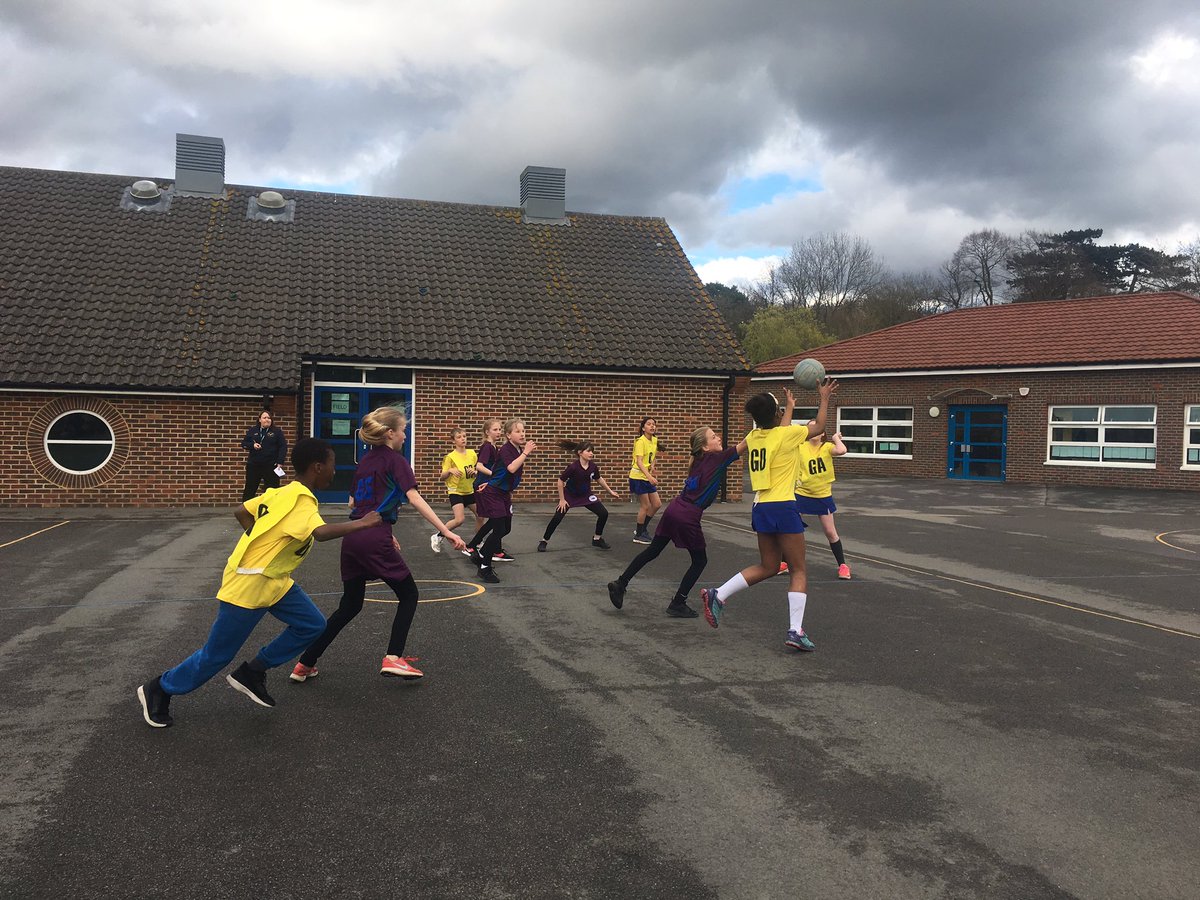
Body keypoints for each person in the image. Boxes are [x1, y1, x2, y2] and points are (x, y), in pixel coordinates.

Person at [135, 438, 380, 728]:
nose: (334, 470)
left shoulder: (280, 493)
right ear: (317, 467)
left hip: (274, 580)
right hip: (250, 584)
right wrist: (364, 523)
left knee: (312, 624)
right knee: (216, 656)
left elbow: (242, 511)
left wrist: (259, 538)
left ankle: (253, 672)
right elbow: (321, 532)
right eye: (331, 464)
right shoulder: (302, 500)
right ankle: (160, 688)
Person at [292, 407, 467, 683]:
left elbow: (354, 503)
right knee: (409, 595)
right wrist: (447, 531)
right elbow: (415, 498)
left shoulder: (364, 463)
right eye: (403, 430)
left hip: (353, 538)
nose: (405, 435)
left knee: (350, 605)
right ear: (390, 434)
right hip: (373, 537)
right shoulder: (396, 461)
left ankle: (305, 663)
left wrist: (386, 530)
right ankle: (394, 658)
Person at [700, 379, 837, 651]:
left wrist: (786, 407)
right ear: (775, 415)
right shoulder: (788, 435)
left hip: (760, 506)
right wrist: (823, 398)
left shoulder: (754, 437)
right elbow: (819, 427)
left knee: (769, 567)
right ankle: (795, 630)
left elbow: (776, 430)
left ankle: (719, 594)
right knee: (798, 569)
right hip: (784, 505)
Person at [608, 425, 744, 618]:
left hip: (674, 509)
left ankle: (621, 583)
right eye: (714, 437)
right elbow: (747, 443)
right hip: (687, 515)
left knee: (653, 551)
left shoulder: (698, 459)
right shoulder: (716, 458)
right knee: (700, 560)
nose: (719, 438)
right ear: (705, 447)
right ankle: (678, 602)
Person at [470, 418, 536, 584]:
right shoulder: (508, 449)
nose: (522, 434)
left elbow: (499, 470)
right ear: (508, 435)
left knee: (506, 528)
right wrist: (526, 452)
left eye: (523, 431)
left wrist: (491, 481)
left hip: (503, 492)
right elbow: (511, 468)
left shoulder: (516, 449)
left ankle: (481, 551)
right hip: (494, 494)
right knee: (498, 528)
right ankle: (484, 567)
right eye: (518, 431)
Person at [537, 440, 620, 552]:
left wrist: (610, 491)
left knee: (603, 513)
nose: (591, 453)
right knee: (557, 517)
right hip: (570, 496)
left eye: (592, 451)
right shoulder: (573, 467)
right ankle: (544, 541)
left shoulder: (593, 467)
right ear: (580, 453)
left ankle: (597, 539)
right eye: (589, 451)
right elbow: (560, 481)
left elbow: (598, 479)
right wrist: (562, 500)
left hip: (586, 495)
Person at [796, 423, 852, 580]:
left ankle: (843, 565)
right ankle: (785, 561)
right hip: (801, 493)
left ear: (822, 433)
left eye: (817, 428)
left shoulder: (827, 447)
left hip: (822, 495)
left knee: (830, 532)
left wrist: (835, 438)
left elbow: (841, 450)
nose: (814, 431)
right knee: (792, 530)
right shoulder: (800, 446)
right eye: (811, 428)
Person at [464, 418, 514, 562]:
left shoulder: (494, 447)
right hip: (484, 487)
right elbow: (479, 466)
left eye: (499, 429)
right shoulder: (486, 447)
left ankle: (490, 549)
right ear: (487, 432)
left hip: (493, 487)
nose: (499, 432)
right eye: (495, 430)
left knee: (497, 520)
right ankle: (478, 547)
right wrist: (494, 475)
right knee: (496, 520)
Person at [431, 427, 477, 554]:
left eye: (464, 436)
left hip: (469, 490)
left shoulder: (472, 454)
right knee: (459, 520)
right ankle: (439, 535)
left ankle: (478, 542)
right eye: (459, 437)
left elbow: (475, 471)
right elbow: (442, 476)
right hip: (456, 491)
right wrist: (450, 471)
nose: (463, 438)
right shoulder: (450, 457)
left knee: (481, 515)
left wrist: (475, 473)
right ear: (453, 441)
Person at [240, 410, 288, 502]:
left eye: (269, 418)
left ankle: (272, 511)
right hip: (254, 465)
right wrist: (252, 445)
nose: (267, 420)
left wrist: (280, 462)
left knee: (272, 490)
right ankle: (246, 510)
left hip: (271, 465)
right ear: (260, 420)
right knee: (250, 488)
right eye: (264, 418)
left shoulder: (277, 432)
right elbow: (244, 443)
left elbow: (283, 447)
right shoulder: (253, 430)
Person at [629, 417, 661, 544]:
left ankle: (642, 529)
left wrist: (653, 467)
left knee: (657, 504)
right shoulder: (640, 442)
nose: (652, 426)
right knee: (645, 505)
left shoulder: (654, 440)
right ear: (643, 428)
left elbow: (652, 457)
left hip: (646, 476)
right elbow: (639, 461)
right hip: (638, 477)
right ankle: (638, 535)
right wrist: (649, 477)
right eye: (649, 424)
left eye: (654, 424)